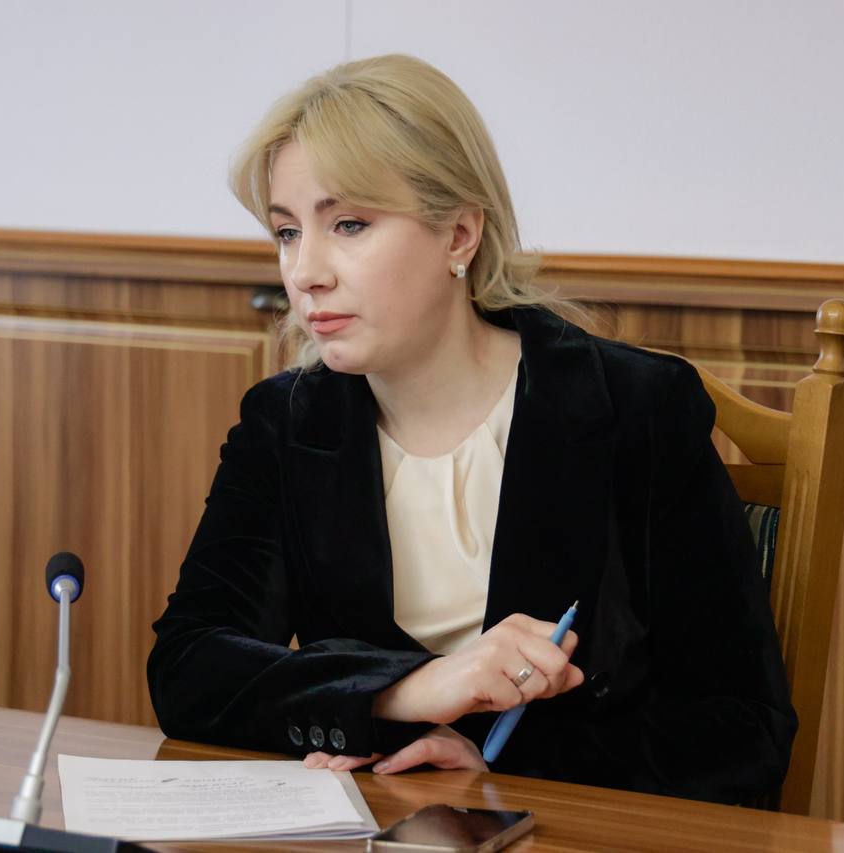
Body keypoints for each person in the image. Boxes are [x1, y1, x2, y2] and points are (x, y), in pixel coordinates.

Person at [148, 54, 795, 804]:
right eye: (288, 232)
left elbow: (743, 729)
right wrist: (406, 689)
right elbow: (189, 667)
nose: (305, 272)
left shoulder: (637, 408)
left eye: (349, 224)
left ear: (459, 234)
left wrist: (502, 771)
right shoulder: (285, 422)